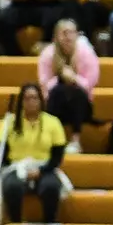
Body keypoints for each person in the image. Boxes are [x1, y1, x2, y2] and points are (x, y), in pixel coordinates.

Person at [0, 82, 69, 225]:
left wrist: (41, 170)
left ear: (41, 100)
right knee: (11, 186)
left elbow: (57, 157)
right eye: (27, 98)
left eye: (35, 98)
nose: (31, 102)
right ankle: (15, 224)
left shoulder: (53, 122)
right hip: (16, 166)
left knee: (51, 186)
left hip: (45, 167)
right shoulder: (10, 122)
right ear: (21, 101)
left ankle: (49, 222)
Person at [36, 18, 97, 153]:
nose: (68, 36)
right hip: (55, 102)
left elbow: (90, 84)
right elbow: (44, 86)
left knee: (76, 92)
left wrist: (74, 78)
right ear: (56, 36)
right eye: (64, 33)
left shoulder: (86, 53)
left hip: (82, 105)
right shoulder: (47, 54)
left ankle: (76, 140)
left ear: (77, 35)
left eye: (71, 32)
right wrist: (61, 78)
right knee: (58, 91)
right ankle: (52, 140)